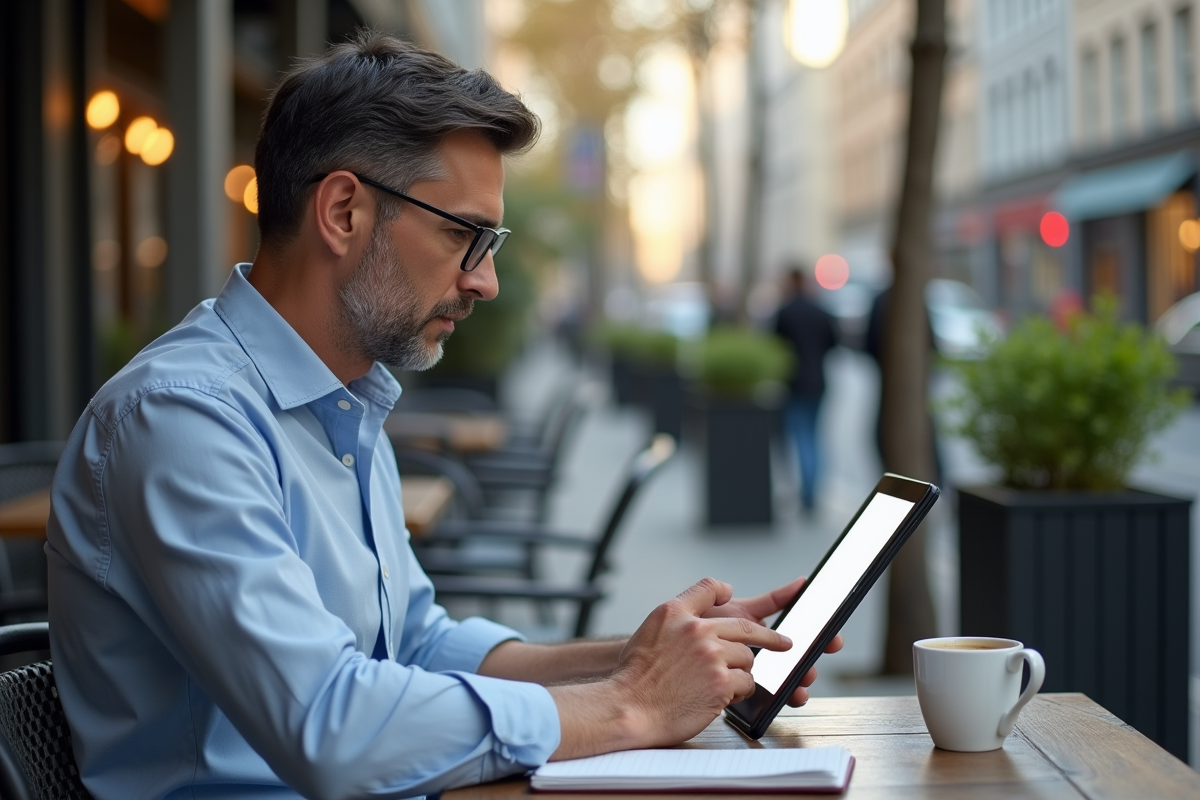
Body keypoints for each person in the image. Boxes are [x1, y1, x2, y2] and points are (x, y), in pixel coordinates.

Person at [45, 32, 842, 800]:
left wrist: (639, 658)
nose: (486, 281)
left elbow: (415, 647)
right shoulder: (182, 419)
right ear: (345, 213)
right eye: (465, 235)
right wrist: (633, 701)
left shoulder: (343, 401)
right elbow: (332, 724)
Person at [773, 268, 838, 512]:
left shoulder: (785, 312)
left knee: (801, 436)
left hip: (794, 383)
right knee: (814, 436)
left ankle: (807, 492)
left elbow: (775, 346)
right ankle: (812, 491)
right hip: (818, 381)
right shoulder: (820, 310)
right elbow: (833, 342)